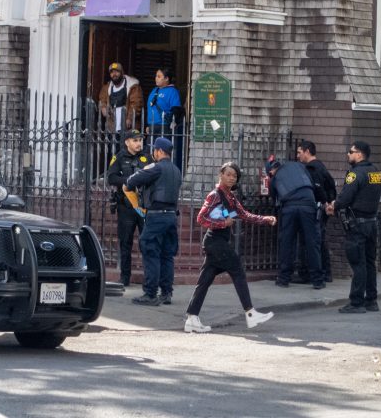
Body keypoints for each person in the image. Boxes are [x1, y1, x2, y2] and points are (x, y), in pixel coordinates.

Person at [184, 162, 277, 333]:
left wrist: (265, 219)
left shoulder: (230, 198)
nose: (231, 178)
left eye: (234, 176)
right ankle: (250, 313)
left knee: (204, 282)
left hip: (217, 243)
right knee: (238, 271)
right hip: (215, 242)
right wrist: (222, 223)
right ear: (221, 175)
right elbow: (200, 218)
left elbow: (242, 215)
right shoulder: (215, 195)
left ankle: (192, 318)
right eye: (228, 174)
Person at [327, 141, 381, 314]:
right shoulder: (376, 173)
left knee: (358, 263)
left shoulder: (355, 173)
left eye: (351, 152)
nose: (348, 155)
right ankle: (371, 300)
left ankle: (356, 302)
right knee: (369, 262)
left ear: (359, 154)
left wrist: (333, 207)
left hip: (357, 224)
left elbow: (345, 197)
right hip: (371, 223)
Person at [124, 137, 182, 306]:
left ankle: (150, 294)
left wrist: (147, 169)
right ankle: (166, 293)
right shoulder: (176, 170)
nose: (153, 153)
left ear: (159, 151)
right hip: (171, 216)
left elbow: (131, 181)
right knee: (167, 255)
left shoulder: (156, 168)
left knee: (151, 253)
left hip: (156, 216)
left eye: (154, 150)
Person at [265, 155, 324, 290]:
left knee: (287, 243)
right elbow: (312, 182)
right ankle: (317, 281)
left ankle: (284, 279)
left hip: (289, 208)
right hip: (308, 205)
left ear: (271, 171)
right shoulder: (298, 165)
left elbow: (275, 199)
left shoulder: (274, 179)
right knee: (312, 243)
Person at [106, 129, 151, 286]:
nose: (139, 143)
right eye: (135, 140)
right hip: (126, 207)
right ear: (127, 142)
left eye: (140, 140)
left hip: (143, 206)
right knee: (125, 243)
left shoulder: (147, 157)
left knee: (147, 242)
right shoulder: (119, 157)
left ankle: (149, 279)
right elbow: (111, 178)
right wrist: (131, 180)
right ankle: (125, 278)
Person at [294, 140, 337, 283]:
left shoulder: (312, 168)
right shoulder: (321, 166)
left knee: (312, 242)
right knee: (320, 241)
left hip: (316, 209)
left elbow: (318, 188)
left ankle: (312, 274)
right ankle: (326, 273)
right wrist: (330, 201)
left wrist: (325, 203)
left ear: (307, 151)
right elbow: (331, 185)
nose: (297, 155)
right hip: (322, 209)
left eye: (299, 152)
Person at [98, 62, 144, 135]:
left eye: (117, 71)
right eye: (112, 72)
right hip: (112, 126)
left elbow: (136, 103)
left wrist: (130, 118)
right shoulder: (107, 87)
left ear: (122, 72)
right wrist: (103, 107)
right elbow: (102, 98)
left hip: (128, 126)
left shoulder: (133, 86)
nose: (114, 74)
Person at [146, 68, 183, 138]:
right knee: (150, 148)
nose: (156, 78)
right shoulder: (154, 90)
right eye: (156, 76)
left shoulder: (172, 91)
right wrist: (147, 125)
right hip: (152, 125)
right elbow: (150, 108)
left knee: (162, 148)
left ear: (166, 78)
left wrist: (173, 121)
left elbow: (176, 108)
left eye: (159, 76)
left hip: (164, 126)